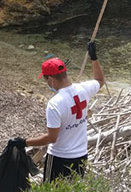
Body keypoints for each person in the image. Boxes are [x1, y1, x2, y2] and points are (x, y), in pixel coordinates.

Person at [12, 42, 104, 182]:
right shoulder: (84, 89)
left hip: (59, 158)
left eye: (45, 80)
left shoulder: (55, 104)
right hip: (81, 155)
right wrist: (94, 58)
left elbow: (51, 138)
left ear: (50, 79)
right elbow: (100, 80)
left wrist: (24, 142)